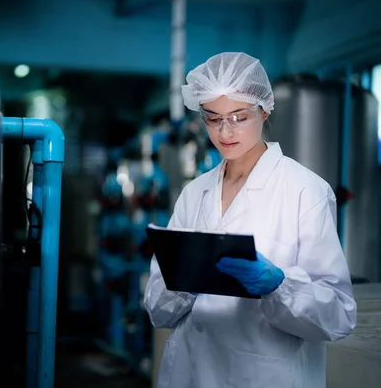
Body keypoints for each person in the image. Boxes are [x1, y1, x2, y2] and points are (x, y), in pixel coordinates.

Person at [143, 52, 357, 388]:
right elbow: (157, 310)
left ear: (264, 108)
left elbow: (339, 316)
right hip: (189, 372)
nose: (225, 132)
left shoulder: (305, 191)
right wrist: (183, 285)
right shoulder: (194, 193)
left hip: (262, 376)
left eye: (239, 117)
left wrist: (279, 287)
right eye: (212, 119)